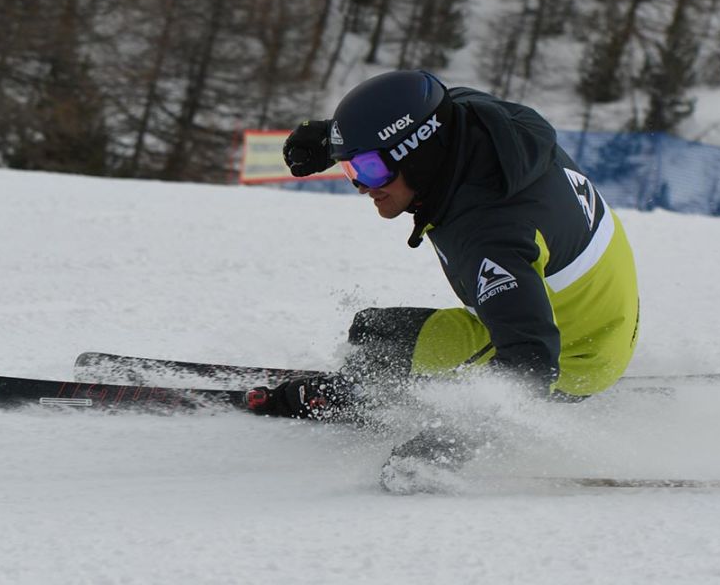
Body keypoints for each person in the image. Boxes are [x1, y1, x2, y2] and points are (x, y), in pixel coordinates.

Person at [245, 70, 639, 478]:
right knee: (375, 335)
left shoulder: (492, 235)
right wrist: (334, 141)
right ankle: (382, 388)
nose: (363, 186)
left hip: (577, 353)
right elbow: (414, 120)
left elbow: (530, 363)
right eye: (351, 169)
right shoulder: (469, 119)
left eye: (370, 169)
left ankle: (367, 396)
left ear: (417, 154)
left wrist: (444, 446)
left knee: (379, 351)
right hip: (600, 312)